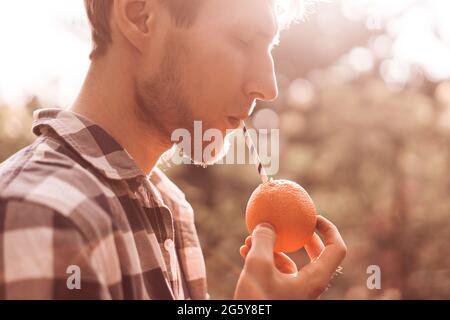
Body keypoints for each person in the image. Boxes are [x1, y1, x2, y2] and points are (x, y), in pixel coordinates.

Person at [0, 0, 346, 299]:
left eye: (268, 47)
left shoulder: (173, 209)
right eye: (244, 39)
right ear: (140, 16)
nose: (267, 87)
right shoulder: (43, 216)